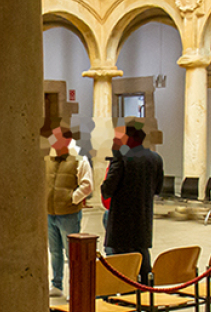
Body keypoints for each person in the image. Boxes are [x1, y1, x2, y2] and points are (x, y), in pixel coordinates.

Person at [101, 122, 164, 283]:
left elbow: (108, 188)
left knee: (123, 263)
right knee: (142, 257)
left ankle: (125, 295)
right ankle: (145, 294)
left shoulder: (121, 157)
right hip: (143, 219)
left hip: (122, 221)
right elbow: (158, 189)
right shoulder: (156, 158)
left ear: (129, 139)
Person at [45, 126, 93, 298]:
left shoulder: (79, 158)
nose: (52, 143)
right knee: (54, 251)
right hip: (50, 213)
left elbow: (87, 185)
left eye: (55, 139)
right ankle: (56, 284)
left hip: (69, 214)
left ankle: (76, 286)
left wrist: (71, 198)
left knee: (70, 251)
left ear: (66, 141)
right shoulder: (49, 158)